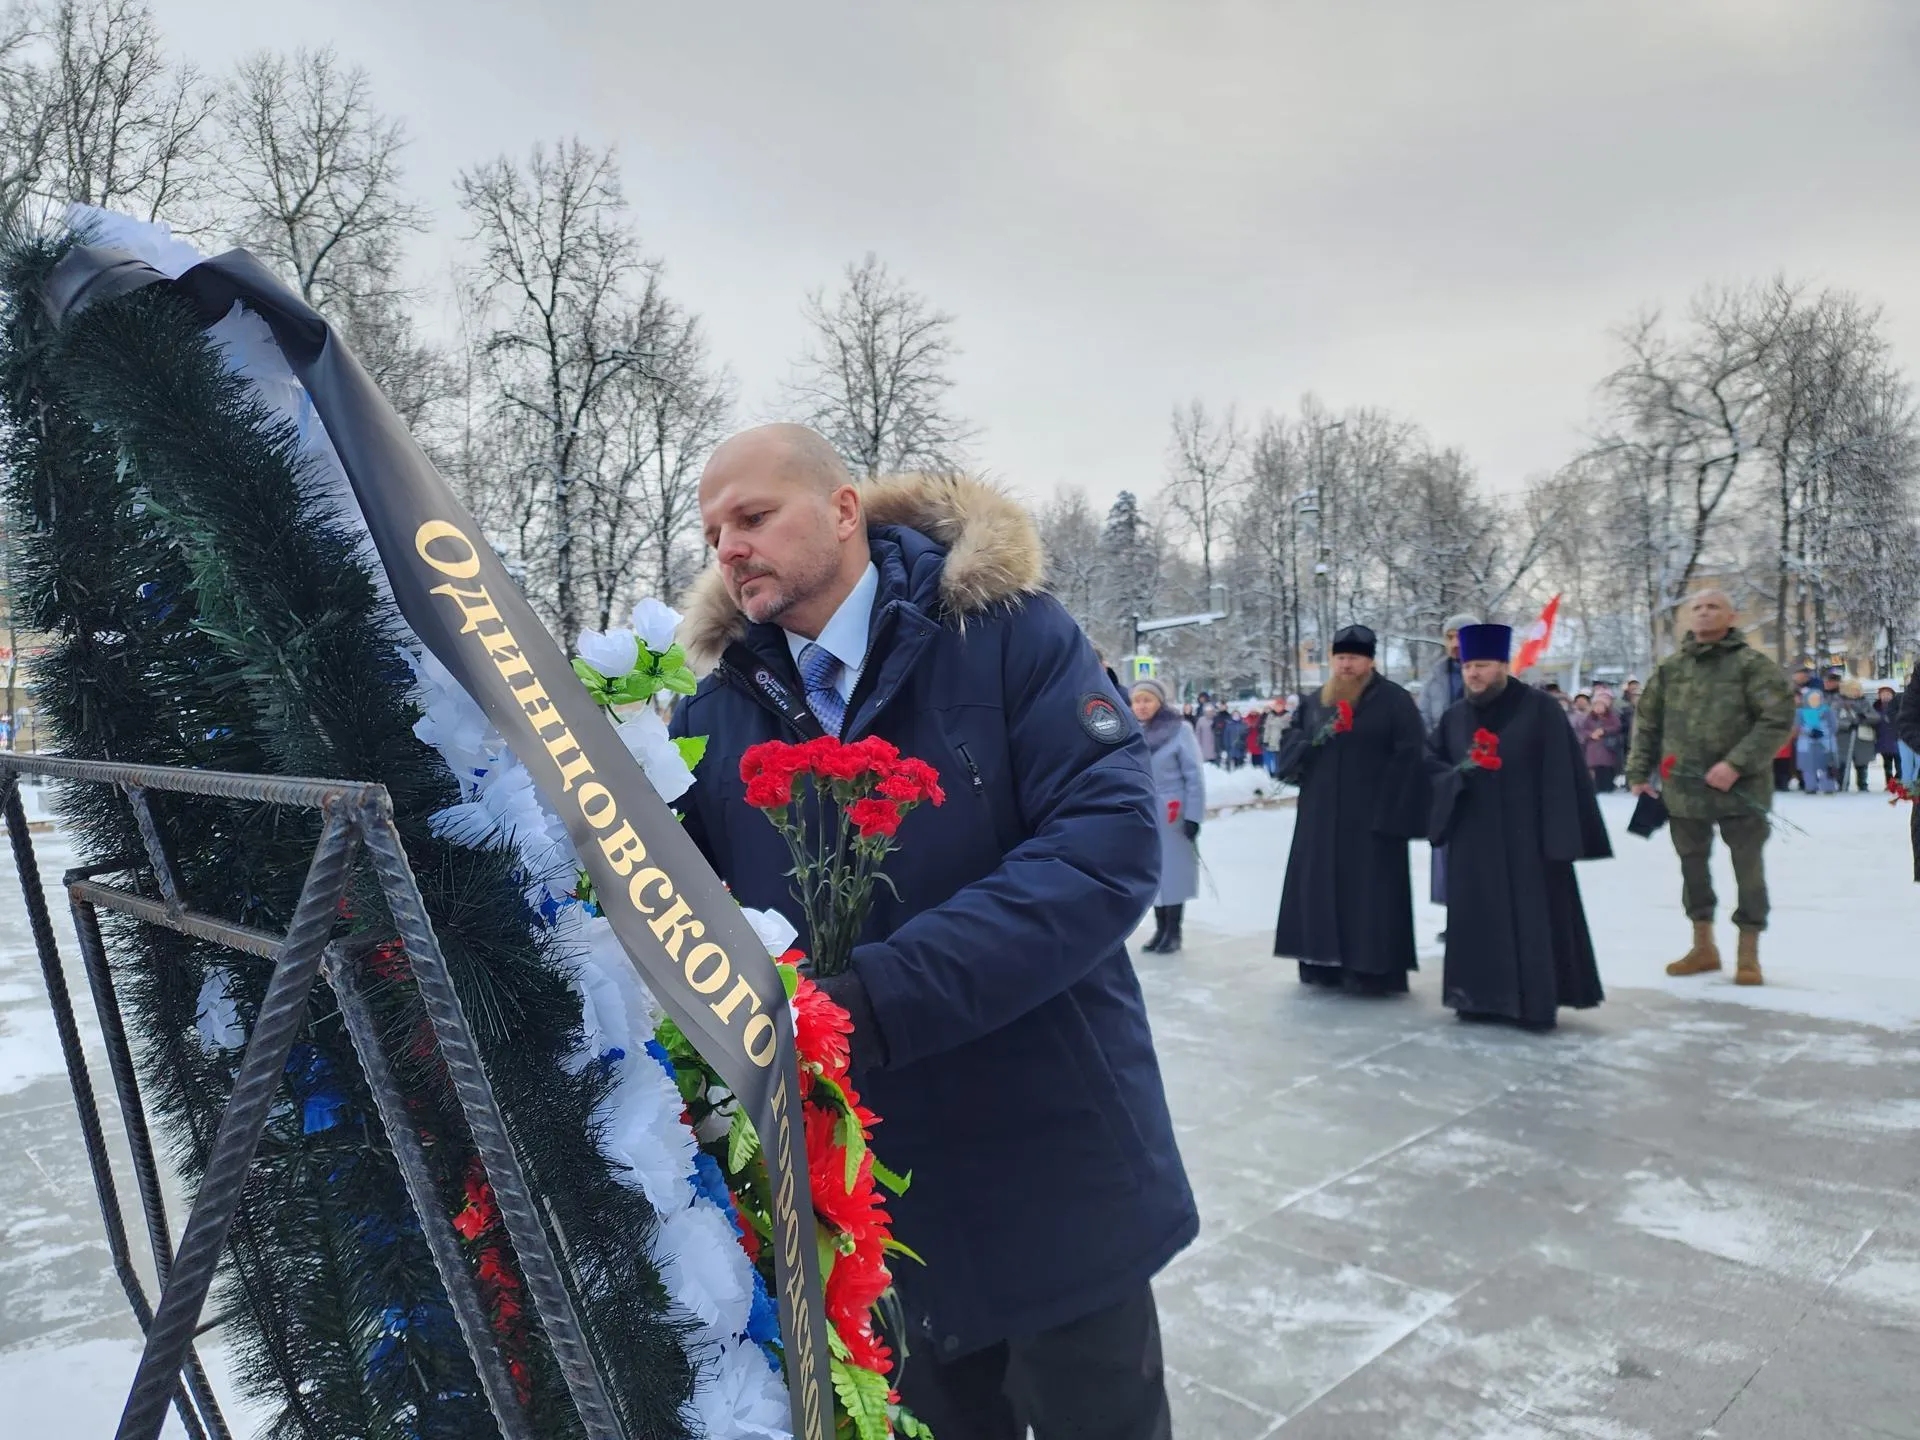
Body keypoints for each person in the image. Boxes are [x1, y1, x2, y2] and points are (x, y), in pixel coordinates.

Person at [671, 424, 1195, 1438]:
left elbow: (1104, 847)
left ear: (840, 511)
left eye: (753, 516)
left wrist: (873, 1001)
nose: (728, 548)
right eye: (711, 532)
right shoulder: (716, 711)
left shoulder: (1008, 635)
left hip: (1051, 1166)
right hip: (876, 1211)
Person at [1427, 623, 1610, 1030]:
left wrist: (1559, 837)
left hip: (1529, 839)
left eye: (1484, 665)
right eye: (1469, 665)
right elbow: (1431, 767)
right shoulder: (1454, 717)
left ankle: (1533, 1003)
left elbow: (1564, 774)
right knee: (1476, 919)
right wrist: (1458, 777)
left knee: (1533, 919)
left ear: (1504, 666)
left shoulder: (1540, 709)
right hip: (1473, 839)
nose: (1474, 673)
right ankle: (1476, 997)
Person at [1624, 590, 1796, 986]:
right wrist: (1637, 772)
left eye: (1713, 606)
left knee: (1748, 871)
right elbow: (1648, 723)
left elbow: (1777, 718)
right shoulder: (1671, 670)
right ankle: (1703, 946)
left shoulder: (1752, 665)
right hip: (1683, 791)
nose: (1704, 613)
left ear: (1731, 615)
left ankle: (1748, 953)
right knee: (1692, 869)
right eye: (1697, 608)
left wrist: (1736, 764)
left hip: (1742, 790)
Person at [1273, 625, 1431, 995]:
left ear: (1370, 661)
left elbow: (1413, 755)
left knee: (1369, 896)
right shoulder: (1315, 702)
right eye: (1340, 658)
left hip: (1372, 819)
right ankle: (1319, 963)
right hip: (1320, 815)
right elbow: (1291, 743)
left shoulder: (1394, 701)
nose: (1346, 665)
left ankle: (1370, 970)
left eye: (1354, 658)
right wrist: (1305, 743)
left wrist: (1393, 807)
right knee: (1318, 890)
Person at [1131, 678, 1204, 955]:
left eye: (1147, 700)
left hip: (1174, 808)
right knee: (1153, 872)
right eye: (1137, 700)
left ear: (1160, 702)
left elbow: (1194, 776)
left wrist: (1194, 816)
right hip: (1144, 810)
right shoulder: (1131, 731)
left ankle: (1174, 931)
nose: (1142, 706)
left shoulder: (1179, 730)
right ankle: (1160, 928)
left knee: (1174, 872)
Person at [1418, 612, 1480, 929]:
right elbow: (1425, 720)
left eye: (1462, 636)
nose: (1455, 644)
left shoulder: (1488, 674)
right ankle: (1453, 913)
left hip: (1483, 772)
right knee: (1446, 846)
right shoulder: (1436, 678)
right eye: (1450, 636)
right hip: (1446, 774)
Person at [1835, 677, 1876, 792]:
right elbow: (1834, 720)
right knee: (1843, 764)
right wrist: (1847, 724)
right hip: (1844, 739)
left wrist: (1864, 718)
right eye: (1854, 690)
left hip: (1861, 740)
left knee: (1862, 763)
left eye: (1858, 689)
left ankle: (1862, 784)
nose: (1857, 692)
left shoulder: (1865, 703)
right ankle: (1843, 784)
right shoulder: (1838, 704)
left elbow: (1876, 717)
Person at [1796, 688, 1839, 794]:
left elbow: (1834, 726)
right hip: (1807, 743)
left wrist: (1823, 732)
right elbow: (1797, 727)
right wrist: (1808, 732)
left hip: (1825, 743)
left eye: (1817, 699)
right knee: (1808, 766)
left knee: (1827, 765)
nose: (1815, 701)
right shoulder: (1800, 712)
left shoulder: (1827, 711)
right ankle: (1810, 787)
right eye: (1812, 699)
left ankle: (1828, 787)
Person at [1582, 690, 1624, 791]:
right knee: (1595, 770)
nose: (1598, 708)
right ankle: (1597, 787)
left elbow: (1617, 727)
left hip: (1607, 746)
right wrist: (1590, 734)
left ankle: (1608, 786)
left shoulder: (1612, 717)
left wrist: (1604, 731)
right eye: (1596, 705)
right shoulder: (1589, 717)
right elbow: (1583, 730)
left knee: (1607, 768)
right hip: (1593, 746)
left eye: (1601, 706)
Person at [1874, 685, 1903, 791]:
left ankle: (1897, 783)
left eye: (1888, 694)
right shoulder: (1876, 707)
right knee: (1887, 766)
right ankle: (1890, 784)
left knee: (1900, 765)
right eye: (1883, 694)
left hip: (1898, 739)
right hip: (1883, 740)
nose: (1886, 696)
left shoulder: (1899, 706)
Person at [1260, 698, 1288, 780]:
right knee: (1271, 758)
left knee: (1279, 759)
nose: (1278, 708)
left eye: (1280, 706)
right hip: (1272, 741)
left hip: (1282, 741)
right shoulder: (1270, 715)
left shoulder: (1287, 715)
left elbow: (1286, 727)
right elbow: (1267, 729)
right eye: (1277, 706)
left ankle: (1279, 773)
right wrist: (1265, 740)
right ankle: (1271, 772)